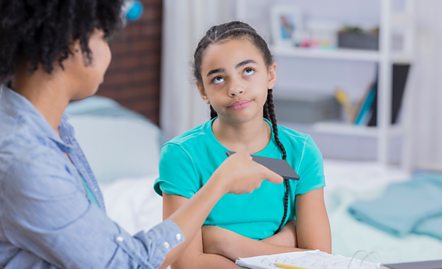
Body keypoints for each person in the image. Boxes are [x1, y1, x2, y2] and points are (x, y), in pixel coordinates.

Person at [0, 2, 283, 269]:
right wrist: (219, 184)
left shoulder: (53, 127)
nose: (108, 52)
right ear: (72, 42)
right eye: (102, 36)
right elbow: (129, 263)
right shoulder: (26, 159)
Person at [155, 21, 331, 269]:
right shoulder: (181, 155)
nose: (235, 88)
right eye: (218, 78)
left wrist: (222, 241)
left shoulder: (301, 152)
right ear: (202, 90)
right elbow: (187, 264)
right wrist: (288, 240)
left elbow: (320, 259)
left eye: (247, 70)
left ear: (270, 74)